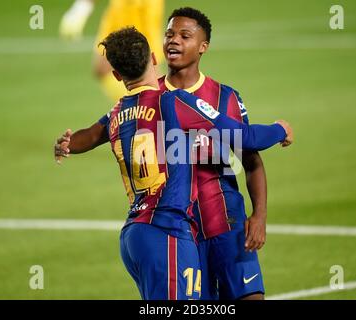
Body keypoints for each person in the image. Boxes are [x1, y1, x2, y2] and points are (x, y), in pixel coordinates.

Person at [54, 27, 293, 299]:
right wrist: (280, 129)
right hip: (166, 230)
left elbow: (89, 136)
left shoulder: (118, 111)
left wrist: (66, 144)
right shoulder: (173, 101)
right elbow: (244, 136)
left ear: (117, 76)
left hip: (134, 235)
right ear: (154, 59)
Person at [160, 7, 276, 300]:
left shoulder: (226, 98)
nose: (174, 41)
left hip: (226, 222)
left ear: (203, 47)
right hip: (178, 232)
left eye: (185, 36)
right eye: (169, 34)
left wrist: (259, 215)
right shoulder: (151, 98)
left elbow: (251, 162)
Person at [59, 0, 165, 102]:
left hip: (135, 6)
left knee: (144, 67)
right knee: (106, 66)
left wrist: (81, 8)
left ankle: (151, 111)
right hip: (126, 6)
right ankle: (149, 110)